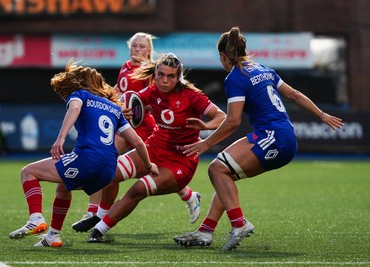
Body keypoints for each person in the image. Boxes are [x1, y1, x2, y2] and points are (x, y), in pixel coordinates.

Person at [173, 26, 344, 251]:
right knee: (226, 175)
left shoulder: (235, 78)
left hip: (271, 136)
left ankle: (239, 224)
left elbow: (233, 121)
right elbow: (294, 95)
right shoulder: (264, 69)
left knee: (216, 169)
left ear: (223, 56)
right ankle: (206, 230)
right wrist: (321, 114)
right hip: (286, 136)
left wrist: (206, 142)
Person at [8, 59, 158, 247]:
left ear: (80, 83)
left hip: (87, 160)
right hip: (108, 172)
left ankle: (36, 218)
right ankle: (53, 236)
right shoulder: (115, 108)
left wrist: (61, 138)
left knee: (28, 172)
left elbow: (75, 107)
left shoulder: (80, 95)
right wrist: (148, 165)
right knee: (63, 186)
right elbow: (137, 141)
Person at [83, 52, 226, 243]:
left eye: (170, 76)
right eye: (161, 75)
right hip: (154, 147)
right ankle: (100, 215)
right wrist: (124, 111)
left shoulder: (192, 96)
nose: (164, 80)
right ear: (155, 74)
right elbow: (134, 105)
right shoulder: (151, 91)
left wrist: (206, 127)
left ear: (178, 77)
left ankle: (98, 231)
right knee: (108, 173)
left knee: (137, 190)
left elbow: (221, 117)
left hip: (181, 160)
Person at [72, 32, 202, 231]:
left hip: (145, 128)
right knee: (107, 164)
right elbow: (119, 90)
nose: (137, 50)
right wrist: (105, 99)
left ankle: (189, 195)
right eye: (134, 46)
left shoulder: (153, 73)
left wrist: (132, 110)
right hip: (126, 126)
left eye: (142, 46)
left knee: (145, 167)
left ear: (149, 50)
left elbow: (150, 102)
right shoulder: (125, 67)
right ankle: (95, 213)